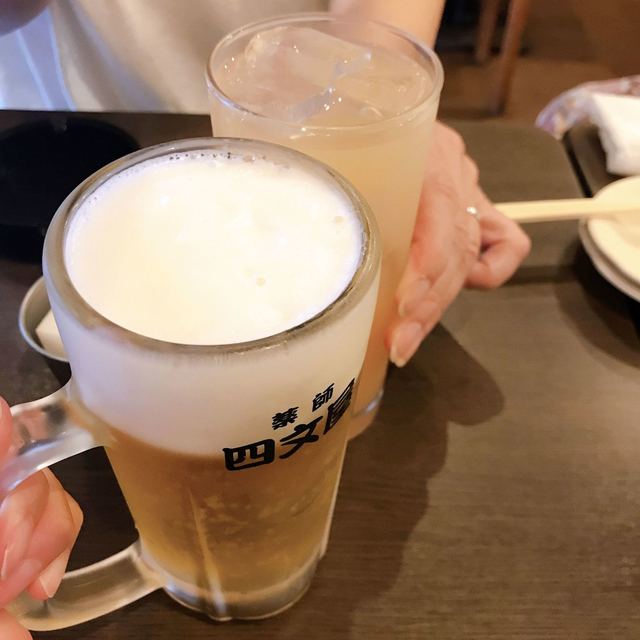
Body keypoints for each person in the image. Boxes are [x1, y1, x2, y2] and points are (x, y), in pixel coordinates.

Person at [0, 1, 530, 637]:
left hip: (276, 132)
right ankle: (178, 571)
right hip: (75, 119)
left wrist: (389, 113)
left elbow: (369, 56)